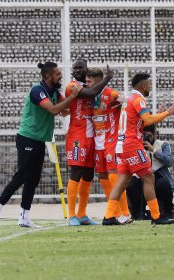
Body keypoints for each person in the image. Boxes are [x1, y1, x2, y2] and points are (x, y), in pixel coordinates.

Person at [0, 62, 82, 229]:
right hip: (28, 138)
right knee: (22, 175)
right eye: (57, 73)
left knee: (33, 179)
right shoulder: (37, 90)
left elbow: (64, 110)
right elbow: (54, 110)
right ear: (47, 76)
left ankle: (24, 217)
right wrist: (73, 96)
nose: (60, 75)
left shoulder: (54, 91)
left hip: (40, 140)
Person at [102, 73, 174, 225]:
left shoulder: (128, 100)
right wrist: (167, 113)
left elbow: (138, 123)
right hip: (132, 144)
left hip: (121, 144)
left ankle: (109, 216)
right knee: (148, 177)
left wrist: (157, 114)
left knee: (123, 180)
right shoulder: (139, 100)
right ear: (144, 86)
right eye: (149, 85)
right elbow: (147, 120)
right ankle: (157, 216)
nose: (150, 87)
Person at [65, 60, 113, 226]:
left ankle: (82, 214)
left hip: (91, 136)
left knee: (88, 175)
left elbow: (99, 96)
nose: (77, 70)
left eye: (81, 68)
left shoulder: (87, 84)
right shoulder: (73, 86)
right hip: (77, 136)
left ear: (86, 70)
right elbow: (91, 92)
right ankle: (71, 215)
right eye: (75, 68)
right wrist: (107, 79)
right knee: (76, 172)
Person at [86, 68, 131, 224]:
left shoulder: (110, 93)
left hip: (111, 138)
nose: (87, 83)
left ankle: (124, 212)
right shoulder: (90, 95)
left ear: (98, 80)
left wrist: (122, 100)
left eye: (89, 81)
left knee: (113, 174)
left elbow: (125, 100)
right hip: (98, 142)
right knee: (103, 176)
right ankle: (116, 213)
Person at [126, 124, 174, 220]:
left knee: (164, 183)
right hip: (142, 180)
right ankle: (138, 214)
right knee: (131, 182)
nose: (146, 138)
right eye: (143, 135)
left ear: (155, 134)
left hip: (158, 179)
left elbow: (170, 162)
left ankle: (168, 212)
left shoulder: (163, 144)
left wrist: (154, 150)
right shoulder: (136, 145)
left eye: (149, 136)